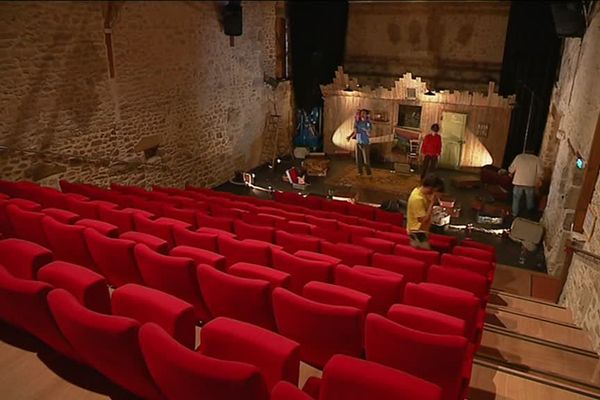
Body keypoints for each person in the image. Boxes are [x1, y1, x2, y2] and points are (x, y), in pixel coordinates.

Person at [406, 174, 445, 249]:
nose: (436, 192)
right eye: (436, 189)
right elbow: (423, 220)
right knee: (423, 253)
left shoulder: (418, 190)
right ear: (431, 187)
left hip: (421, 230)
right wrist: (432, 203)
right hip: (417, 232)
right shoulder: (417, 199)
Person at [508, 149, 543, 218]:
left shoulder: (519, 157)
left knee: (516, 199)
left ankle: (514, 214)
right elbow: (540, 172)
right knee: (529, 199)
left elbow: (512, 168)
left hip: (518, 181)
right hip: (530, 183)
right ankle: (528, 215)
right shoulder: (536, 159)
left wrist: (510, 172)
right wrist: (540, 179)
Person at [346, 109, 372, 176]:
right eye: (362, 113)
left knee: (366, 160)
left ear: (366, 115)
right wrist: (349, 136)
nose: (363, 114)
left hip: (365, 143)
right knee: (358, 159)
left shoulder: (368, 123)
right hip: (358, 142)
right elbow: (355, 132)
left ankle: (369, 173)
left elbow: (369, 134)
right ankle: (360, 172)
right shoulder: (358, 122)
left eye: (364, 113)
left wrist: (366, 130)